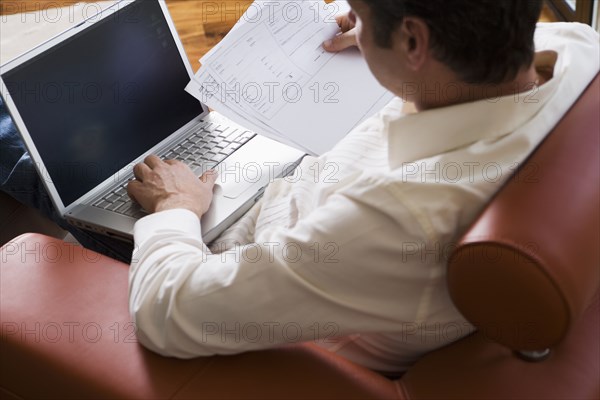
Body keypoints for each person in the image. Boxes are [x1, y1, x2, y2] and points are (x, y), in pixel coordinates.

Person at [2, 0, 599, 375]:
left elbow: (168, 311)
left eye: (362, 17)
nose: (352, 22)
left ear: (416, 43)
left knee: (20, 142)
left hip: (227, 250)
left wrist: (177, 211)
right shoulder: (577, 54)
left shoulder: (398, 221)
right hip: (297, 182)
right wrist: (379, 32)